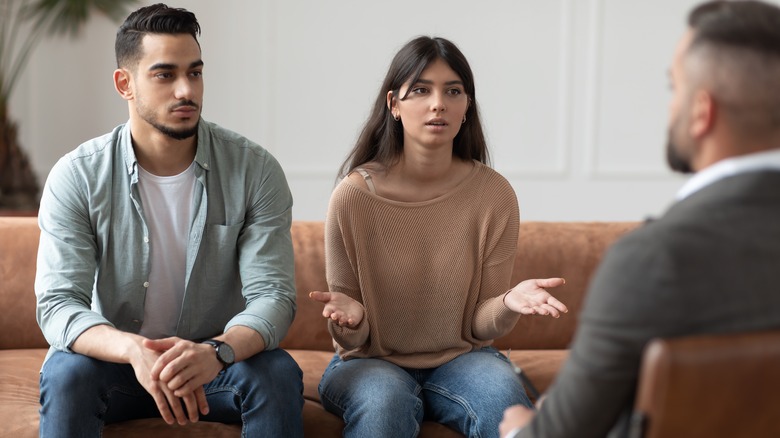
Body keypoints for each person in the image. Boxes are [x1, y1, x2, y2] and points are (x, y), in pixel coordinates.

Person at [499, 1, 780, 437]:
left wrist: (520, 428)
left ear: (703, 112)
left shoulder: (654, 259)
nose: (670, 109)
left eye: (675, 89)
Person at [34, 4, 304, 437]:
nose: (186, 90)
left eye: (194, 73)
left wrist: (217, 352)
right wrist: (132, 349)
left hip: (214, 365)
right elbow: (58, 304)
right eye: (165, 75)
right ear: (125, 83)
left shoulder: (254, 170)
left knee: (275, 373)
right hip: (117, 364)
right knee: (68, 375)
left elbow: (273, 296)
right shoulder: (78, 175)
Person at [307, 36, 569, 438]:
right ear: (393, 104)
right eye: (421, 90)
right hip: (370, 361)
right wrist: (353, 320)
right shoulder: (354, 196)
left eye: (453, 91)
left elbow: (480, 326)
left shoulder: (494, 195)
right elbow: (350, 334)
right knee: (384, 403)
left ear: (467, 106)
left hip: (462, 359)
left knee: (502, 397)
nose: (438, 104)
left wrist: (507, 303)